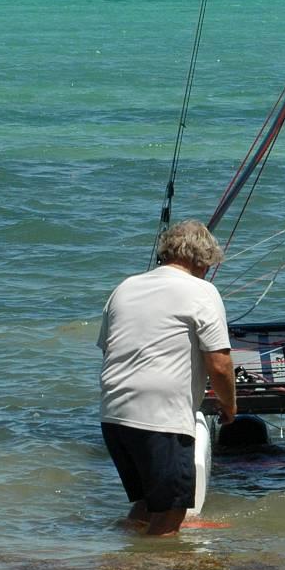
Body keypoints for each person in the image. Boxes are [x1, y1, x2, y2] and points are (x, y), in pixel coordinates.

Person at [96, 220, 237, 536]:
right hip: (161, 418)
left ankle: (125, 560)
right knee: (172, 513)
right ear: (200, 260)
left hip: (114, 414)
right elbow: (219, 363)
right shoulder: (202, 291)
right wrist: (230, 406)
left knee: (147, 503)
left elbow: (108, 348)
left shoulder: (126, 287)